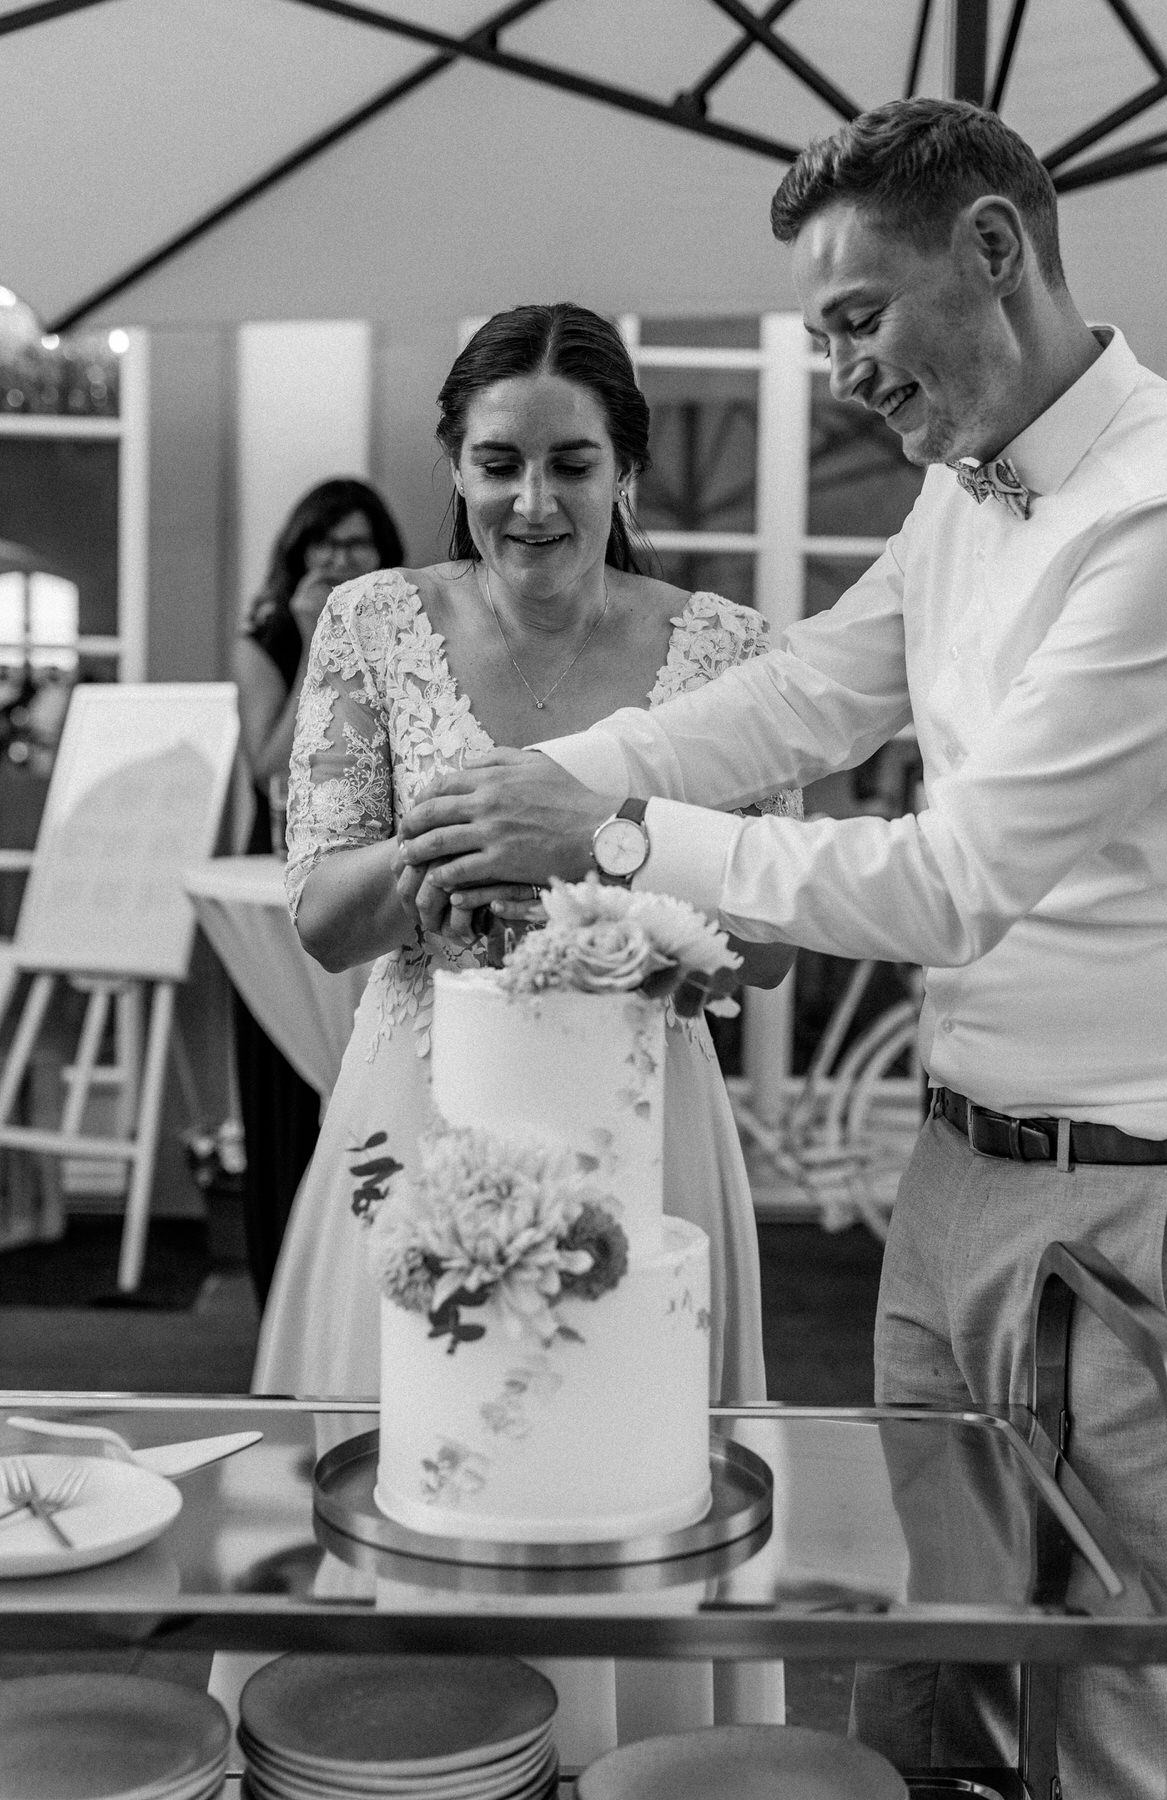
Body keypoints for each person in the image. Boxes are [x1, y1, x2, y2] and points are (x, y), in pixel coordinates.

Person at [394, 102, 1167, 1800]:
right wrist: (539, 783)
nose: (841, 374)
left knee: (1106, 1697)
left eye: (856, 318)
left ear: (994, 250)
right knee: (927, 1655)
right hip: (954, 1168)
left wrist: (606, 836)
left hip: (1132, 1204)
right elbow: (800, 697)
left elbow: (952, 884)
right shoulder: (966, 493)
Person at [252, 303, 797, 1746]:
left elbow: (779, 941)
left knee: (623, 1468)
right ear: (456, 463)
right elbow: (323, 912)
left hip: (643, 1128)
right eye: (499, 464)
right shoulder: (374, 623)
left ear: (629, 470)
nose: (533, 503)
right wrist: (450, 858)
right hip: (415, 1111)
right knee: (414, 1467)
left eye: (572, 463)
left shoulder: (729, 649)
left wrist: (601, 852)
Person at [231, 477, 405, 1306]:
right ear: (298, 551)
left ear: (383, 552)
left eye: (357, 543)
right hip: (288, 862)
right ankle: (289, 1287)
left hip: (376, 868)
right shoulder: (264, 636)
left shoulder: (406, 628)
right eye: (325, 543)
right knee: (286, 1087)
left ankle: (374, 1280)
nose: (339, 558)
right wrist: (314, 639)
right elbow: (270, 762)